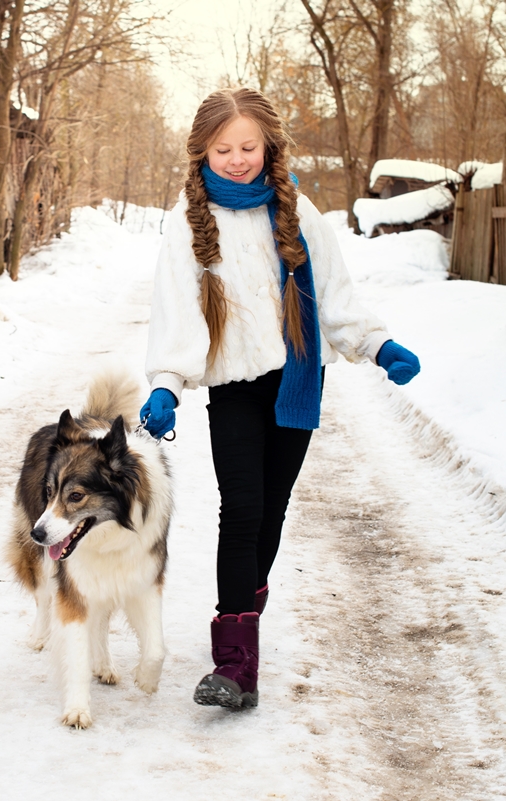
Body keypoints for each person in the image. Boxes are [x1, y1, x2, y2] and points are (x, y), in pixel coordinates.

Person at [139, 88, 421, 710]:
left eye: (247, 147)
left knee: (271, 509)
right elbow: (178, 314)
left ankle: (248, 602)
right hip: (234, 385)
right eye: (223, 149)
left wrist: (378, 345)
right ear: (202, 151)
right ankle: (235, 663)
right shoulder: (189, 223)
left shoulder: (298, 211)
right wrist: (166, 384)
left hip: (297, 377)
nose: (237, 159)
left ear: (267, 146)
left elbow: (338, 299)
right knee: (241, 510)